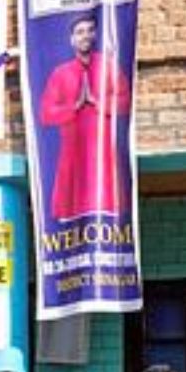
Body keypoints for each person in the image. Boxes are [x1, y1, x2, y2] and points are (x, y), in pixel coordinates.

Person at [38, 12, 133, 222]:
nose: (85, 36)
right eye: (80, 32)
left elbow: (126, 100)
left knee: (109, 211)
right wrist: (75, 106)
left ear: (96, 34)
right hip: (72, 156)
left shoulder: (108, 66)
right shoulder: (60, 73)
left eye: (90, 30)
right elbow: (45, 113)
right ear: (72, 39)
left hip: (104, 154)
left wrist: (98, 102)